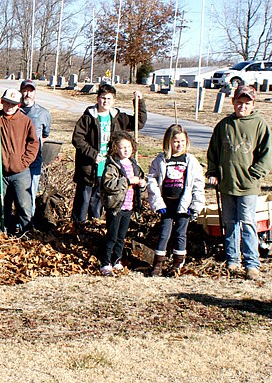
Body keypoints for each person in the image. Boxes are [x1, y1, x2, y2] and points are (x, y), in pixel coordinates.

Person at [206, 85, 272, 280]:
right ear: (233, 102)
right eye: (239, 103)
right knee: (230, 223)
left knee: (247, 222)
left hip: (248, 185)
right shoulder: (224, 125)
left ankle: (252, 263)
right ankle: (232, 260)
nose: (242, 107)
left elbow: (267, 153)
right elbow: (213, 153)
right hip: (227, 184)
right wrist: (213, 173)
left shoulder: (259, 124)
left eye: (246, 104)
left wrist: (256, 173)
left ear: (253, 104)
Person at [71, 84, 146, 224]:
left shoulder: (117, 118)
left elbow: (139, 122)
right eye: (102, 98)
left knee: (98, 201)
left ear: (114, 100)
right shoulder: (88, 118)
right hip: (89, 168)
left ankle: (94, 226)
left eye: (109, 99)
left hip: (109, 168)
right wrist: (93, 154)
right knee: (83, 201)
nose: (105, 101)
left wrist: (139, 102)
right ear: (97, 98)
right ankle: (77, 228)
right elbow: (77, 139)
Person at [147, 124, 205, 277]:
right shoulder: (161, 160)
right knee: (164, 233)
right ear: (168, 142)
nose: (179, 145)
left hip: (183, 204)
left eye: (182, 141)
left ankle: (177, 264)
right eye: (176, 141)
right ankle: (158, 263)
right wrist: (157, 203)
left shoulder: (191, 161)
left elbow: (198, 184)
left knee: (180, 233)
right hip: (166, 204)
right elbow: (152, 180)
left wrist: (195, 205)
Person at [0, 88, 39, 233]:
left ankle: (26, 233)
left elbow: (34, 143)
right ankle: (3, 232)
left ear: (19, 105)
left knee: (23, 205)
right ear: (2, 102)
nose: (10, 107)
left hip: (20, 172)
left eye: (13, 104)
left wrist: (24, 162)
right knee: (1, 205)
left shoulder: (25, 121)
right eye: (7, 103)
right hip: (1, 172)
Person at [99, 131, 146, 276]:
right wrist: (127, 181)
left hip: (129, 206)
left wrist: (142, 184)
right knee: (112, 236)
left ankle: (117, 260)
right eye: (122, 147)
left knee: (121, 236)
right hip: (115, 206)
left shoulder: (133, 164)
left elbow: (139, 180)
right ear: (115, 149)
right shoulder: (112, 165)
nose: (126, 150)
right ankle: (105, 262)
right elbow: (109, 184)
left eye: (128, 147)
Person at [20, 79, 51, 215]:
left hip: (34, 161)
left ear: (35, 93)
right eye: (25, 90)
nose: (27, 94)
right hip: (17, 160)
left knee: (30, 193)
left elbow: (45, 135)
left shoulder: (43, 113)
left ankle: (29, 223)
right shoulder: (14, 110)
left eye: (30, 91)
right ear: (21, 92)